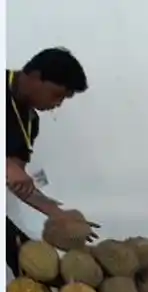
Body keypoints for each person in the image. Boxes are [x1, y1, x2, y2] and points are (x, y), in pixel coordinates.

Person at [6, 48, 94, 277]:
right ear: (34, 77)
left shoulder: (29, 122)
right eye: (57, 94)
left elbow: (17, 181)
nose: (58, 104)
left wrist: (56, 212)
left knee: (26, 261)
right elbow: (9, 169)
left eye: (64, 99)